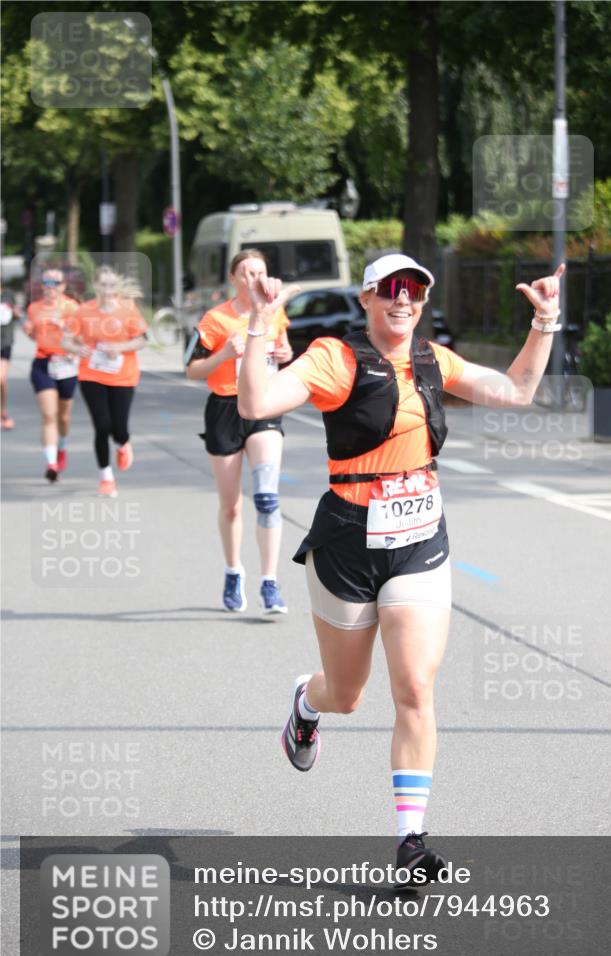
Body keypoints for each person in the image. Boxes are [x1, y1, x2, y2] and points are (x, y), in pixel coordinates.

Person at [237, 252, 565, 877]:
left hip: (418, 539)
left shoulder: (433, 361)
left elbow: (517, 390)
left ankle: (410, 841)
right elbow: (255, 402)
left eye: (414, 288)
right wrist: (259, 320)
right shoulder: (336, 358)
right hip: (348, 543)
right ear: (366, 299)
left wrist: (543, 323)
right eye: (389, 288)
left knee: (414, 687)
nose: (403, 299)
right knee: (347, 695)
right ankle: (306, 705)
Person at [185, 249, 294, 615]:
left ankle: (270, 582)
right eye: (246, 273)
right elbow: (192, 370)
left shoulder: (274, 311)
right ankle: (233, 571)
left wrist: (283, 355)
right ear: (234, 279)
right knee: (231, 506)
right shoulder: (215, 320)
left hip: (263, 406)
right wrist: (221, 357)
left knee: (267, 497)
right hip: (225, 410)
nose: (254, 279)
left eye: (260, 272)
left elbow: (284, 348)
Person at [63, 266, 147, 498]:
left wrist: (119, 347)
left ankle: (122, 443)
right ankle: (106, 477)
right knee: (102, 425)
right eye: (103, 285)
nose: (108, 290)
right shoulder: (83, 311)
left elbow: (141, 340)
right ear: (95, 285)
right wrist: (77, 348)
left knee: (119, 428)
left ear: (117, 287)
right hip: (92, 374)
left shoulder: (128, 309)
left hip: (123, 376)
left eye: (112, 285)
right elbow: (66, 341)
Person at [23, 268, 80, 481]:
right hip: (43, 363)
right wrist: (29, 332)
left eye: (54, 282)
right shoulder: (34, 308)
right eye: (45, 282)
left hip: (66, 364)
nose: (49, 286)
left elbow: (81, 338)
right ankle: (51, 463)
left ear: (63, 286)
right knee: (48, 415)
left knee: (63, 417)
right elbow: (35, 336)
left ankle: (62, 447)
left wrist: (63, 325)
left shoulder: (72, 307)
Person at [1, 283, 20, 430]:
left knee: (1, 379)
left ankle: (3, 411)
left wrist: (15, 312)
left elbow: (17, 315)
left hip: (4, 342)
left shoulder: (8, 295)